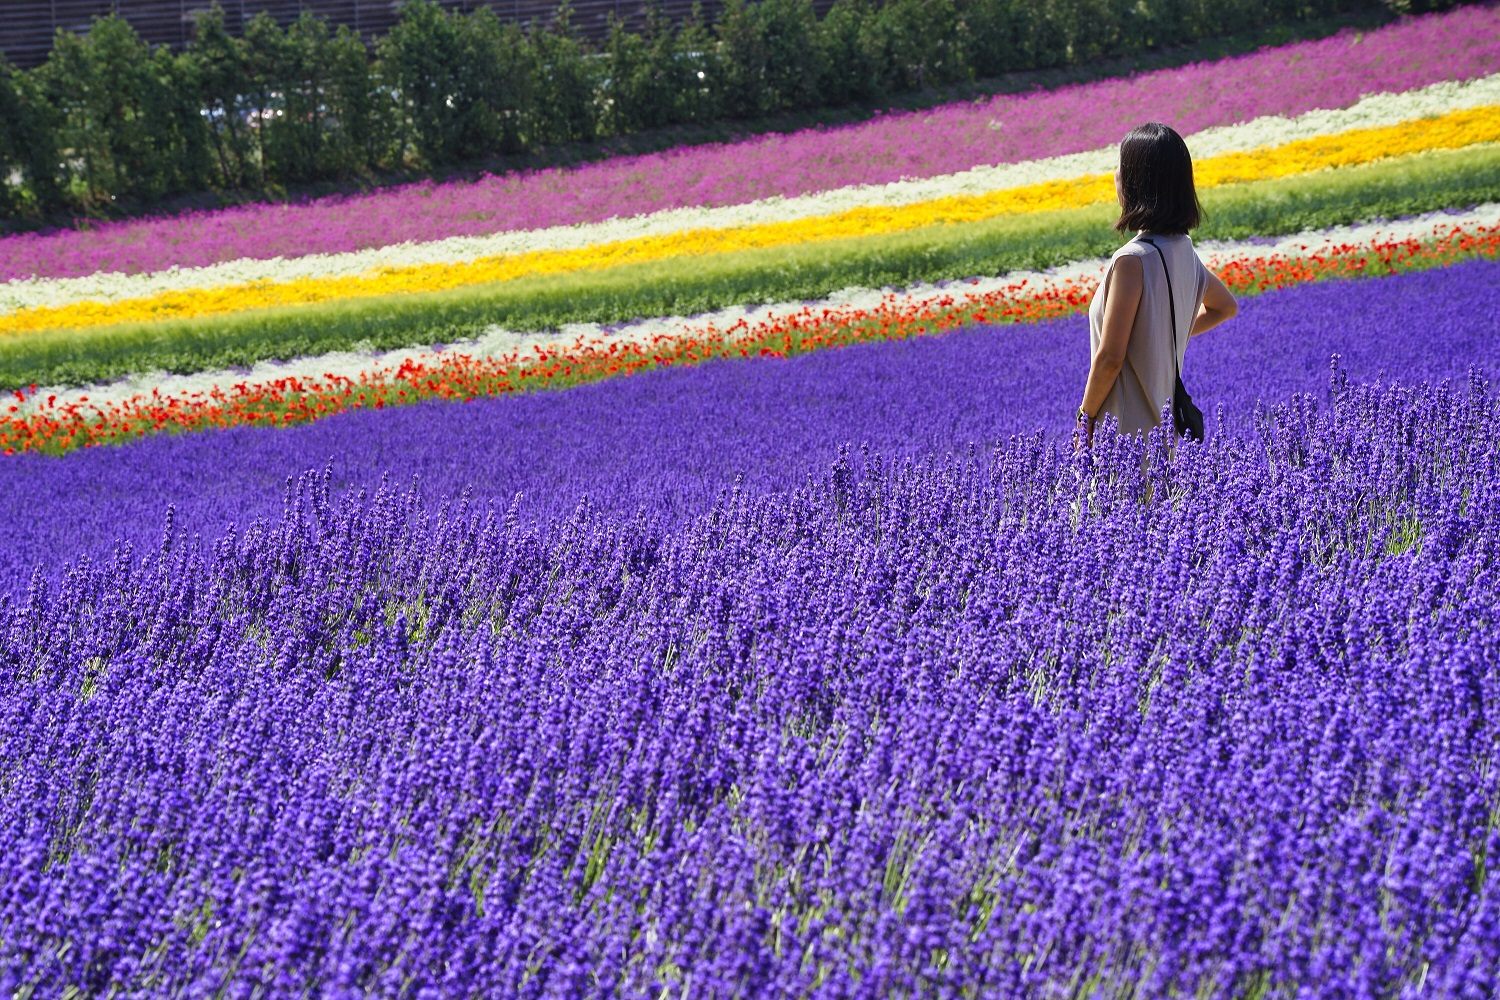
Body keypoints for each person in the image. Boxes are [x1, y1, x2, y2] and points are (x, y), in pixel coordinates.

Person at [1077, 122, 1237, 446]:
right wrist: (1161, 337)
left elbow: (1110, 358)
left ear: (1136, 181)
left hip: (1123, 436)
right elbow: (1225, 306)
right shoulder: (1183, 249)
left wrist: (1085, 418)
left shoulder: (1131, 261)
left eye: (1120, 168)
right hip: (1167, 435)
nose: (1115, 176)